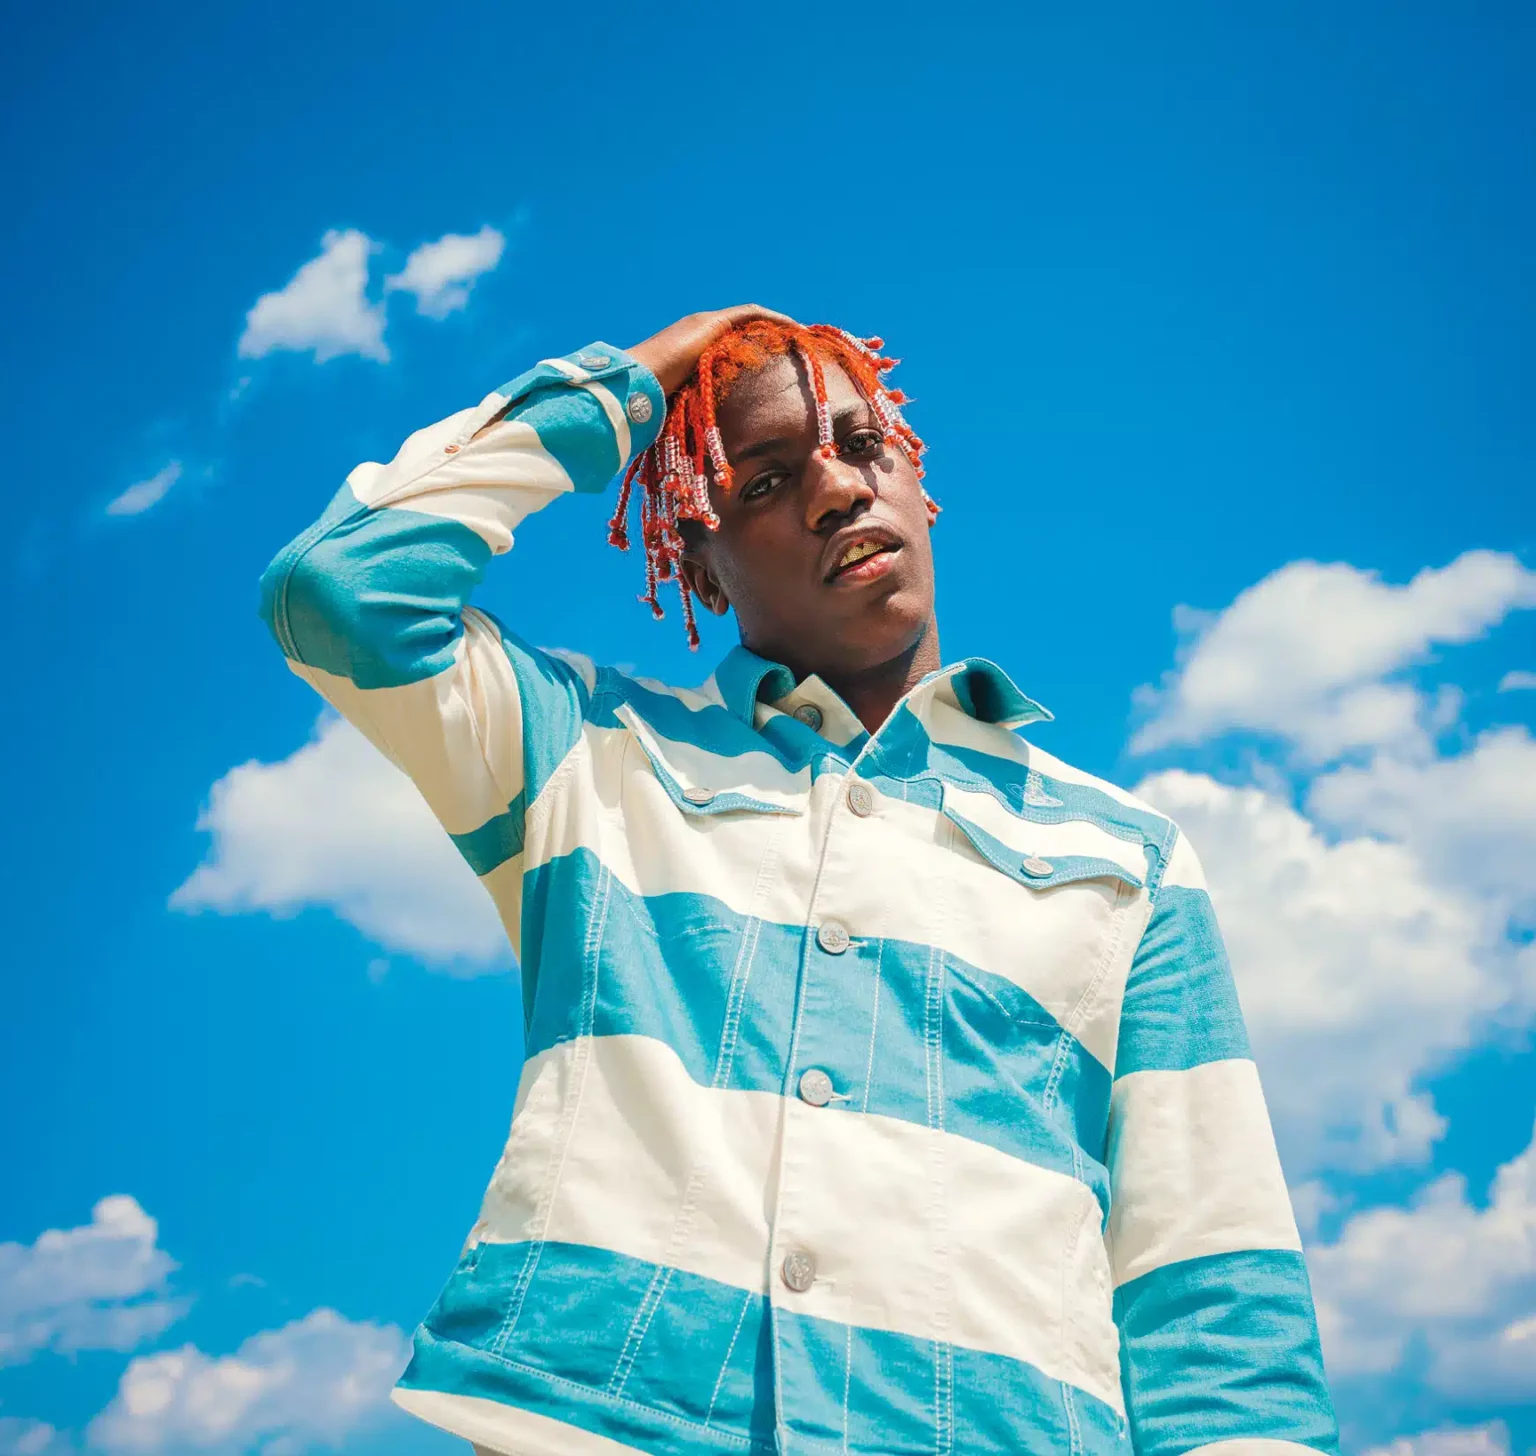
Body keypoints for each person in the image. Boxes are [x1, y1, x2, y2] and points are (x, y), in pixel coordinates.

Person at [259, 306, 1338, 1456]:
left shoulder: (1129, 856)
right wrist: (640, 379)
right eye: (765, 480)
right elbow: (340, 591)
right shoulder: (587, 753)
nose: (837, 490)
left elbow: (1219, 1314)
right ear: (699, 563)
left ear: (918, 484)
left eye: (865, 445)